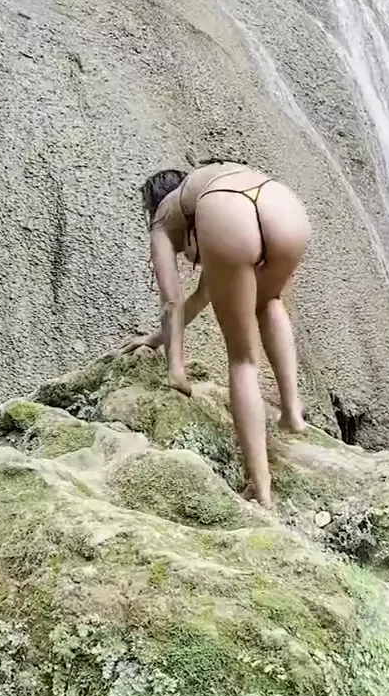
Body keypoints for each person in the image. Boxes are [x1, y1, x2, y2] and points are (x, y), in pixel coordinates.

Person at [123, 159, 312, 508]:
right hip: (283, 204)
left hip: (230, 210)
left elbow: (172, 302)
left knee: (243, 360)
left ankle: (261, 490)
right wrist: (155, 339)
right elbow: (201, 297)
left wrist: (175, 369)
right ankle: (291, 411)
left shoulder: (165, 216)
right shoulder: (204, 188)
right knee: (269, 300)